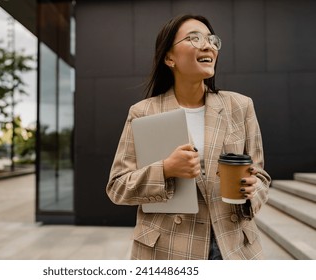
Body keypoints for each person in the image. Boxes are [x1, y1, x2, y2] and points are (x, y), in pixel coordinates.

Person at [106, 14, 271, 260]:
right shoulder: (143, 112)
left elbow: (260, 176)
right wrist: (166, 169)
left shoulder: (240, 106)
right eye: (194, 38)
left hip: (233, 248)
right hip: (168, 251)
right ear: (169, 57)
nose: (208, 45)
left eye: (212, 40)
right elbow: (118, 186)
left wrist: (252, 188)